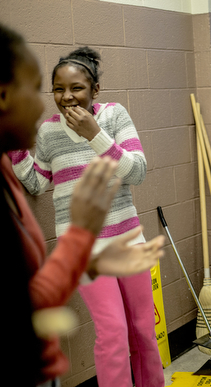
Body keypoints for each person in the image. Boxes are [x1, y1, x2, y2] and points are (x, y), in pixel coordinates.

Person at [0, 23, 165, 386]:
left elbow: (136, 171)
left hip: (128, 242)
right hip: (85, 252)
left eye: (76, 88)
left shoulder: (113, 116)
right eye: (58, 90)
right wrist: (11, 141)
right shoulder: (47, 131)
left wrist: (95, 135)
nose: (67, 97)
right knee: (112, 334)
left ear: (95, 90)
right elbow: (37, 182)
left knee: (142, 331)